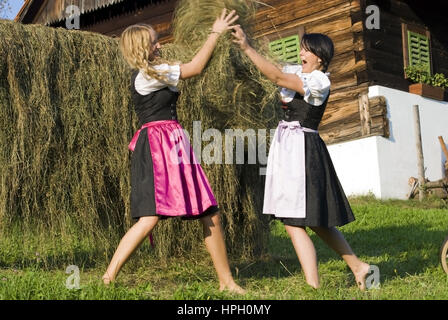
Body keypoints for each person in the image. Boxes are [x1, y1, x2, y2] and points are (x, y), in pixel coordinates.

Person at [102, 9, 246, 295]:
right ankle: (108, 278)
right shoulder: (148, 75)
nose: (160, 45)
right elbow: (194, 68)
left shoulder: (154, 72)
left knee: (208, 211)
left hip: (172, 142)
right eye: (155, 42)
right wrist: (215, 32)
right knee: (150, 218)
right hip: (160, 146)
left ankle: (226, 282)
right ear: (143, 47)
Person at [232, 26, 370, 290]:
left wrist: (247, 47)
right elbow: (274, 66)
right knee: (312, 221)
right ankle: (358, 266)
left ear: (320, 57)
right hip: (287, 148)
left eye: (306, 50)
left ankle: (313, 286)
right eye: (302, 48)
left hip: (303, 151)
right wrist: (246, 45)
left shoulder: (319, 81)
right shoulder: (299, 71)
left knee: (294, 221)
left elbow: (274, 75)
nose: (301, 53)